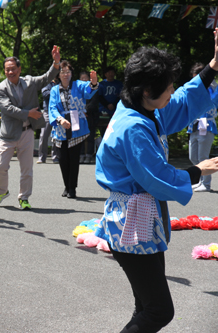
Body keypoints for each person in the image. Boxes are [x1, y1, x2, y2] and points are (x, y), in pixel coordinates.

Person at [95, 29, 218, 333]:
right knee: (159, 311)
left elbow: (182, 101)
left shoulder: (140, 107)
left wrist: (214, 64)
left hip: (136, 221)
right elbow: (157, 177)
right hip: (132, 226)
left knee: (146, 307)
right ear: (148, 91)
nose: (173, 89)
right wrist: (197, 170)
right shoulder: (132, 128)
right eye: (168, 86)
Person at [0, 46, 60, 210]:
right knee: (0, 166)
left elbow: (46, 78)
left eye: (13, 69)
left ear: (19, 69)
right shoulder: (0, 88)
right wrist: (28, 113)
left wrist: (56, 63)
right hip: (8, 134)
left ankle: (24, 197)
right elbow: (7, 109)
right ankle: (2, 191)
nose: (10, 72)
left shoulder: (29, 82)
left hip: (27, 132)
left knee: (27, 169)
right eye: (7, 70)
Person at [49, 61, 98, 199]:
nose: (66, 74)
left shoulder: (78, 85)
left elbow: (88, 91)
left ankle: (72, 188)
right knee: (63, 158)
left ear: (71, 74)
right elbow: (52, 107)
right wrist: (60, 120)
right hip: (61, 125)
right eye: (63, 72)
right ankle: (66, 185)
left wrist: (93, 84)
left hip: (76, 123)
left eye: (68, 72)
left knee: (74, 158)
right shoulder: (54, 90)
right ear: (58, 74)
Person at [187, 62, 218, 192]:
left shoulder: (213, 88)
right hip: (194, 125)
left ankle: (206, 184)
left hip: (206, 124)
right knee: (192, 156)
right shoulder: (193, 88)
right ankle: (200, 180)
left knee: (203, 156)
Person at [78, 71, 101, 164]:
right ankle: (81, 154)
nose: (84, 80)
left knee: (91, 136)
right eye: (82, 78)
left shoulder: (94, 88)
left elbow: (94, 102)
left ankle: (89, 155)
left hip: (91, 116)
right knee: (80, 137)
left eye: (86, 78)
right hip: (80, 116)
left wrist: (85, 111)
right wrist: (81, 111)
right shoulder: (77, 90)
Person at [38, 78, 58, 164]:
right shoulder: (46, 83)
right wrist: (57, 92)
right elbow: (45, 94)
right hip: (47, 112)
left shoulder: (62, 83)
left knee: (57, 135)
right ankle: (42, 157)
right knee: (44, 134)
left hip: (58, 111)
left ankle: (56, 157)